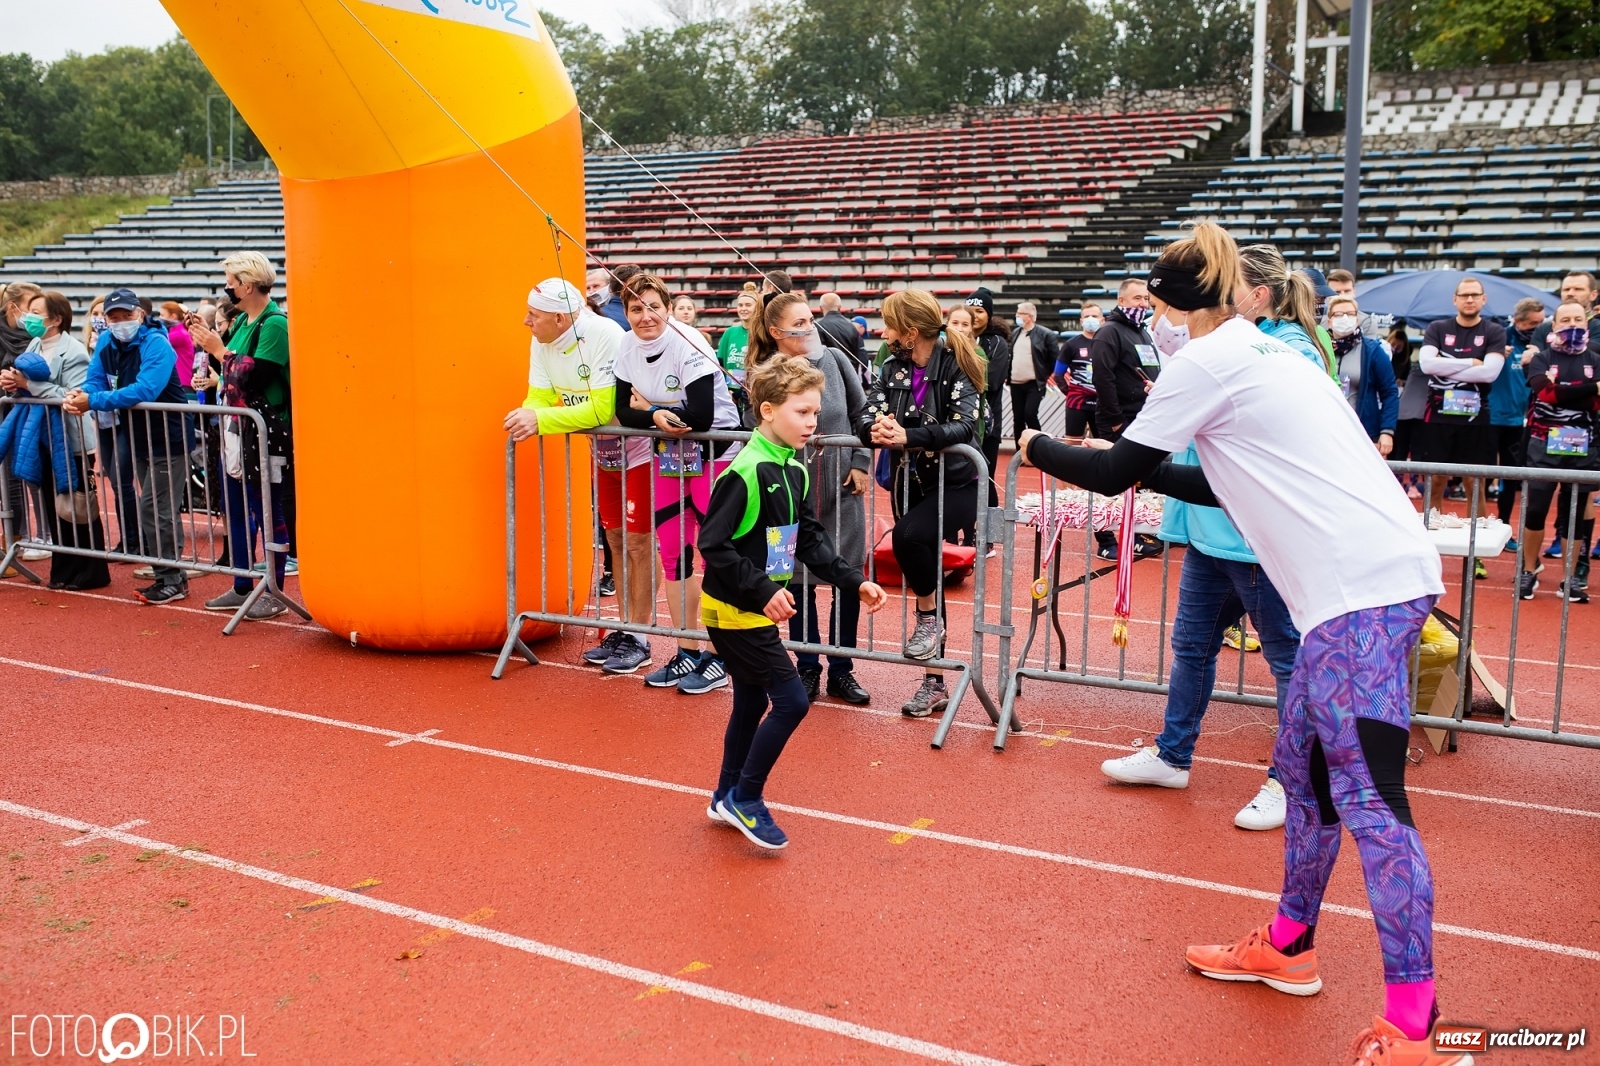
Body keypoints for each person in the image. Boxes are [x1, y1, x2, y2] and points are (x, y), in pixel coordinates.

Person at [1020, 220, 1457, 1063]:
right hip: (1369, 585)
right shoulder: (1265, 353)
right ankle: (1289, 946)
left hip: (1358, 596)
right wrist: (1090, 454)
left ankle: (1413, 1025)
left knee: (1370, 803)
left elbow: (1118, 472)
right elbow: (1209, 480)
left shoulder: (1204, 359)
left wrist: (1034, 443)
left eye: (1151, 310)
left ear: (1165, 309)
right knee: (1304, 777)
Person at [1101, 253, 1323, 833]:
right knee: (1191, 646)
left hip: (1256, 537)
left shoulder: (1286, 350)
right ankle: (1173, 755)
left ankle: (1290, 779)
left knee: (1287, 661)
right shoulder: (1229, 344)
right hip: (1210, 532)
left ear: (1257, 296)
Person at [699, 357, 887, 849]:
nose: (812, 423)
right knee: (792, 700)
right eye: (802, 412)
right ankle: (747, 798)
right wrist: (763, 590)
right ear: (766, 410)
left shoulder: (792, 467)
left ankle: (725, 794)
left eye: (815, 413)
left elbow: (807, 538)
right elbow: (713, 545)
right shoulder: (746, 471)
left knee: (752, 700)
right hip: (734, 611)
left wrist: (853, 580)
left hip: (753, 607)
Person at [612, 273, 744, 692]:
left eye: (653, 307)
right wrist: (653, 415)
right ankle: (688, 653)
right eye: (636, 308)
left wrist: (649, 406)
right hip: (670, 457)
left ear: (668, 308)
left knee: (714, 554)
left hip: (716, 454)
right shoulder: (626, 346)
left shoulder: (688, 342)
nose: (645, 316)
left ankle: (720, 654)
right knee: (674, 553)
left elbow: (702, 418)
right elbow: (621, 412)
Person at [858, 288, 986, 718]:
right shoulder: (890, 366)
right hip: (908, 485)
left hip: (958, 485)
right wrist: (875, 430)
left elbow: (966, 426)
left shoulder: (955, 364)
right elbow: (866, 413)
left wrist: (908, 436)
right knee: (925, 563)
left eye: (889, 324)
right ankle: (934, 683)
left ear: (910, 332)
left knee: (908, 538)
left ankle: (927, 620)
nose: (883, 331)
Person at [748, 291, 873, 705]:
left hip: (841, 487)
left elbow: (863, 413)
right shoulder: (765, 373)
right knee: (797, 583)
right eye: (798, 323)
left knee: (845, 576)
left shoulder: (835, 362)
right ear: (776, 332)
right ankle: (807, 666)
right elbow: (759, 428)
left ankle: (843, 669)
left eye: (810, 320)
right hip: (788, 492)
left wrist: (860, 460)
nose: (808, 329)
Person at [503, 276, 633, 614]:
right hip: (603, 449)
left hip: (639, 447)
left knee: (639, 543)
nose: (526, 321)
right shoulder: (542, 340)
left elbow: (602, 409)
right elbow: (541, 396)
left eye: (533, 314)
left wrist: (540, 421)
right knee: (616, 540)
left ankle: (642, 633)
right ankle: (624, 628)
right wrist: (526, 413)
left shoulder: (606, 334)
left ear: (560, 319)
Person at [63, 288, 193, 604]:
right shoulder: (108, 342)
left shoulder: (157, 343)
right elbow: (97, 378)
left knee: (154, 506)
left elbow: (145, 389)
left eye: (126, 315)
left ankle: (170, 578)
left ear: (140, 314)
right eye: (114, 317)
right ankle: (169, 575)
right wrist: (81, 394)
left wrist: (91, 400)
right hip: (140, 435)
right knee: (157, 507)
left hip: (169, 436)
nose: (121, 322)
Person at [187, 252, 294, 619]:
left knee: (268, 510)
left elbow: (250, 377)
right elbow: (230, 373)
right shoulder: (246, 322)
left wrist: (218, 350)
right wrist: (212, 347)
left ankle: (276, 590)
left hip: (263, 432)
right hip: (237, 430)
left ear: (248, 285)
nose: (227, 287)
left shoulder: (275, 323)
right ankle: (242, 584)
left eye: (231, 280)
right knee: (236, 508)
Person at [1514, 300, 1600, 603]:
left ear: (1586, 325)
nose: (1572, 324)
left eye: (1578, 319)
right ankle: (1529, 569)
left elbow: (1584, 402)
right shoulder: (1541, 358)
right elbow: (1545, 394)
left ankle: (1569, 577)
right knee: (1535, 509)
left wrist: (1563, 392)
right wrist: (1592, 388)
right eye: (1566, 320)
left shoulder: (1596, 358)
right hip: (1542, 443)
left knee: (1574, 513)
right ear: (1554, 326)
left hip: (1584, 444)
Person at [1414, 278, 1508, 530]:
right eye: (1464, 295)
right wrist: (1473, 363)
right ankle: (1430, 536)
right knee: (1435, 481)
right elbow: (1427, 366)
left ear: (1483, 299)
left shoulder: (1494, 331)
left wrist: (1446, 364)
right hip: (1437, 415)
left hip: (1476, 417)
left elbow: (1489, 373)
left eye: (1474, 295)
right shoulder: (1438, 328)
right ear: (1455, 299)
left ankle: (1475, 546)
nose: (1469, 299)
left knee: (1474, 483)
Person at [1090, 278, 1162, 561]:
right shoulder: (1109, 332)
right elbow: (1103, 379)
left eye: (1146, 299)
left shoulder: (1142, 332)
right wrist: (1116, 420)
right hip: (1118, 420)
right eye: (1136, 299)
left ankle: (1136, 535)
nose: (1143, 304)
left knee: (1139, 478)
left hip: (1142, 417)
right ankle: (1105, 540)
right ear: (1121, 301)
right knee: (1108, 480)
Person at [1493, 299, 1545, 547]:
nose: (1537, 327)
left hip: (1518, 421)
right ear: (1519, 320)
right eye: (1532, 323)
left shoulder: (1540, 344)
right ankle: (1481, 529)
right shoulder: (1499, 337)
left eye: (1541, 322)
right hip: (1489, 417)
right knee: (1480, 476)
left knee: (1510, 477)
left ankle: (1504, 528)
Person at [1328, 295, 1399, 451]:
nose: (1345, 318)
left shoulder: (1372, 350)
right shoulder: (1319, 349)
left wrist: (1387, 431)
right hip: (1327, 429)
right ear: (1329, 321)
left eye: (1351, 314)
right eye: (1339, 315)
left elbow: (1390, 392)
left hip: (1363, 430)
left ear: (1357, 319)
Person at [965, 287, 1009, 512]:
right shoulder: (953, 340)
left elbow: (991, 381)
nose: (974, 315)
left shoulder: (997, 343)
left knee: (985, 477)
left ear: (989, 315)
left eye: (980, 311)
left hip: (988, 424)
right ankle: (956, 538)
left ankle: (988, 535)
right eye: (970, 310)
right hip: (958, 422)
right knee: (959, 480)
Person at [1007, 302, 1055, 445]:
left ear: (1029, 316)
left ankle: (1038, 446)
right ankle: (1019, 450)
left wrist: (1043, 375)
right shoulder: (1015, 333)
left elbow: (1053, 359)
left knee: (1030, 414)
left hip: (1034, 383)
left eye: (1019, 313)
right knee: (1018, 418)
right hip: (1016, 383)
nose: (1016, 316)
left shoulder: (1045, 334)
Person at [1052, 303, 1101, 439]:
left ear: (1102, 320)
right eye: (1087, 316)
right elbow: (1058, 374)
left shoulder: (1109, 343)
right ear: (1081, 321)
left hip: (1102, 402)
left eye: (1095, 316)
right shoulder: (1071, 344)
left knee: (1103, 443)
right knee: (1073, 442)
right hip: (1077, 402)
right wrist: (1071, 392)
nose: (1091, 319)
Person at [1325, 268, 1387, 342]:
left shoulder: (1368, 322)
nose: (1342, 295)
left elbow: (1369, 349)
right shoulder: (1316, 322)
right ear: (1328, 295)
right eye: (1337, 292)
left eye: (1347, 291)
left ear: (1354, 291)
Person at [717, 283, 759, 385]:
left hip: (751, 391)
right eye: (740, 305)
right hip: (729, 392)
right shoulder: (729, 332)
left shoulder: (761, 334)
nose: (743, 308)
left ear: (757, 308)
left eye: (748, 305)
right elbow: (720, 364)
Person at [816, 292, 869, 368]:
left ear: (820, 308)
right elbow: (859, 357)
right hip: (849, 372)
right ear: (839, 307)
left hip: (828, 372)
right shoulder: (851, 327)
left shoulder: (818, 326)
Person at [158, 302, 198, 398]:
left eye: (162, 315)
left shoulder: (180, 334)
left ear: (173, 316)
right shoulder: (177, 331)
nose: (160, 318)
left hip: (183, 382)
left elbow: (159, 341)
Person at [587, 266, 630, 332]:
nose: (591, 291)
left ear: (609, 286)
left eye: (596, 286)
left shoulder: (627, 308)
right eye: (588, 288)